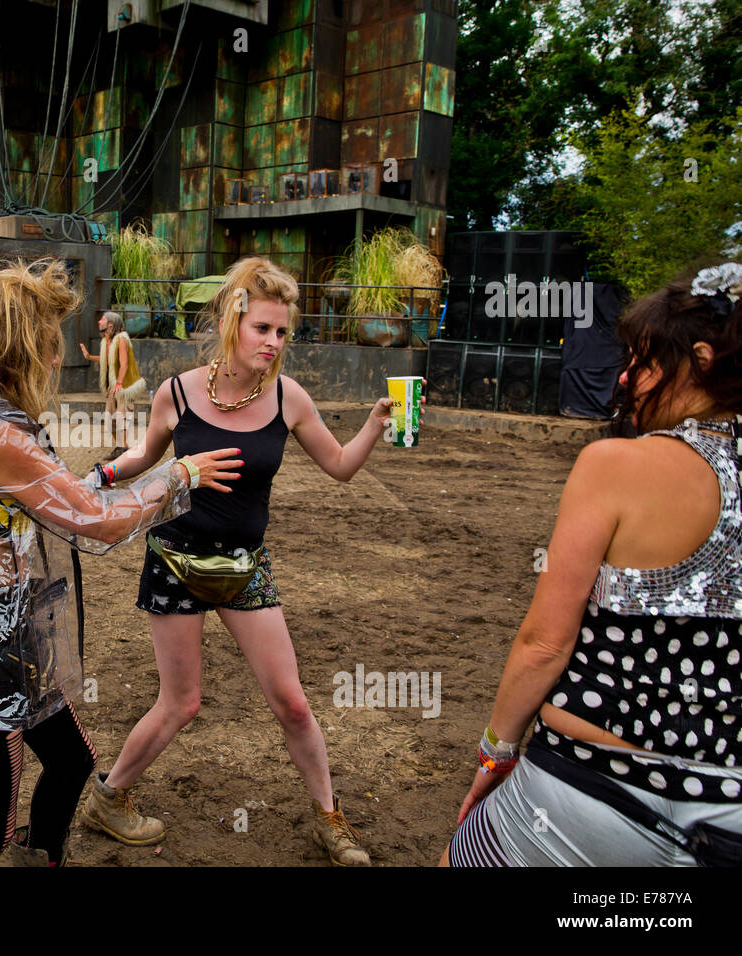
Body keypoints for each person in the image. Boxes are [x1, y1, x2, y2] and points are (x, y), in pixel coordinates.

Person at [0, 259, 240, 867]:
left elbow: (21, 504)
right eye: (48, 347)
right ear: (19, 349)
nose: (57, 361)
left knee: (72, 761)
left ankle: (43, 858)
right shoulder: (0, 436)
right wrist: (178, 476)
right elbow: (96, 521)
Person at [81, 256, 421, 866]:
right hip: (176, 559)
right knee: (181, 703)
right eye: (263, 328)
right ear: (232, 321)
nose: (273, 342)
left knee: (290, 701)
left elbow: (340, 467)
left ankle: (328, 818)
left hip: (245, 566)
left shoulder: (290, 398)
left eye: (283, 331)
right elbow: (142, 454)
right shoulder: (177, 392)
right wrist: (100, 475)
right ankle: (108, 796)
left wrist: (373, 426)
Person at [444, 263, 742, 867]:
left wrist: (495, 754)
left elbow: (544, 643)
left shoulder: (618, 464)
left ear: (702, 360)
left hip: (593, 789)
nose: (628, 378)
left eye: (643, 361)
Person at [80, 310, 148, 457]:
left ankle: (122, 449)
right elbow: (107, 359)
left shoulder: (121, 339)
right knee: (109, 419)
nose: (99, 322)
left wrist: (119, 383)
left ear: (110, 324)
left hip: (124, 386)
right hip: (114, 386)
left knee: (121, 417)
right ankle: (121, 447)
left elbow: (124, 364)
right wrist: (89, 356)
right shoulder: (106, 341)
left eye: (102, 319)